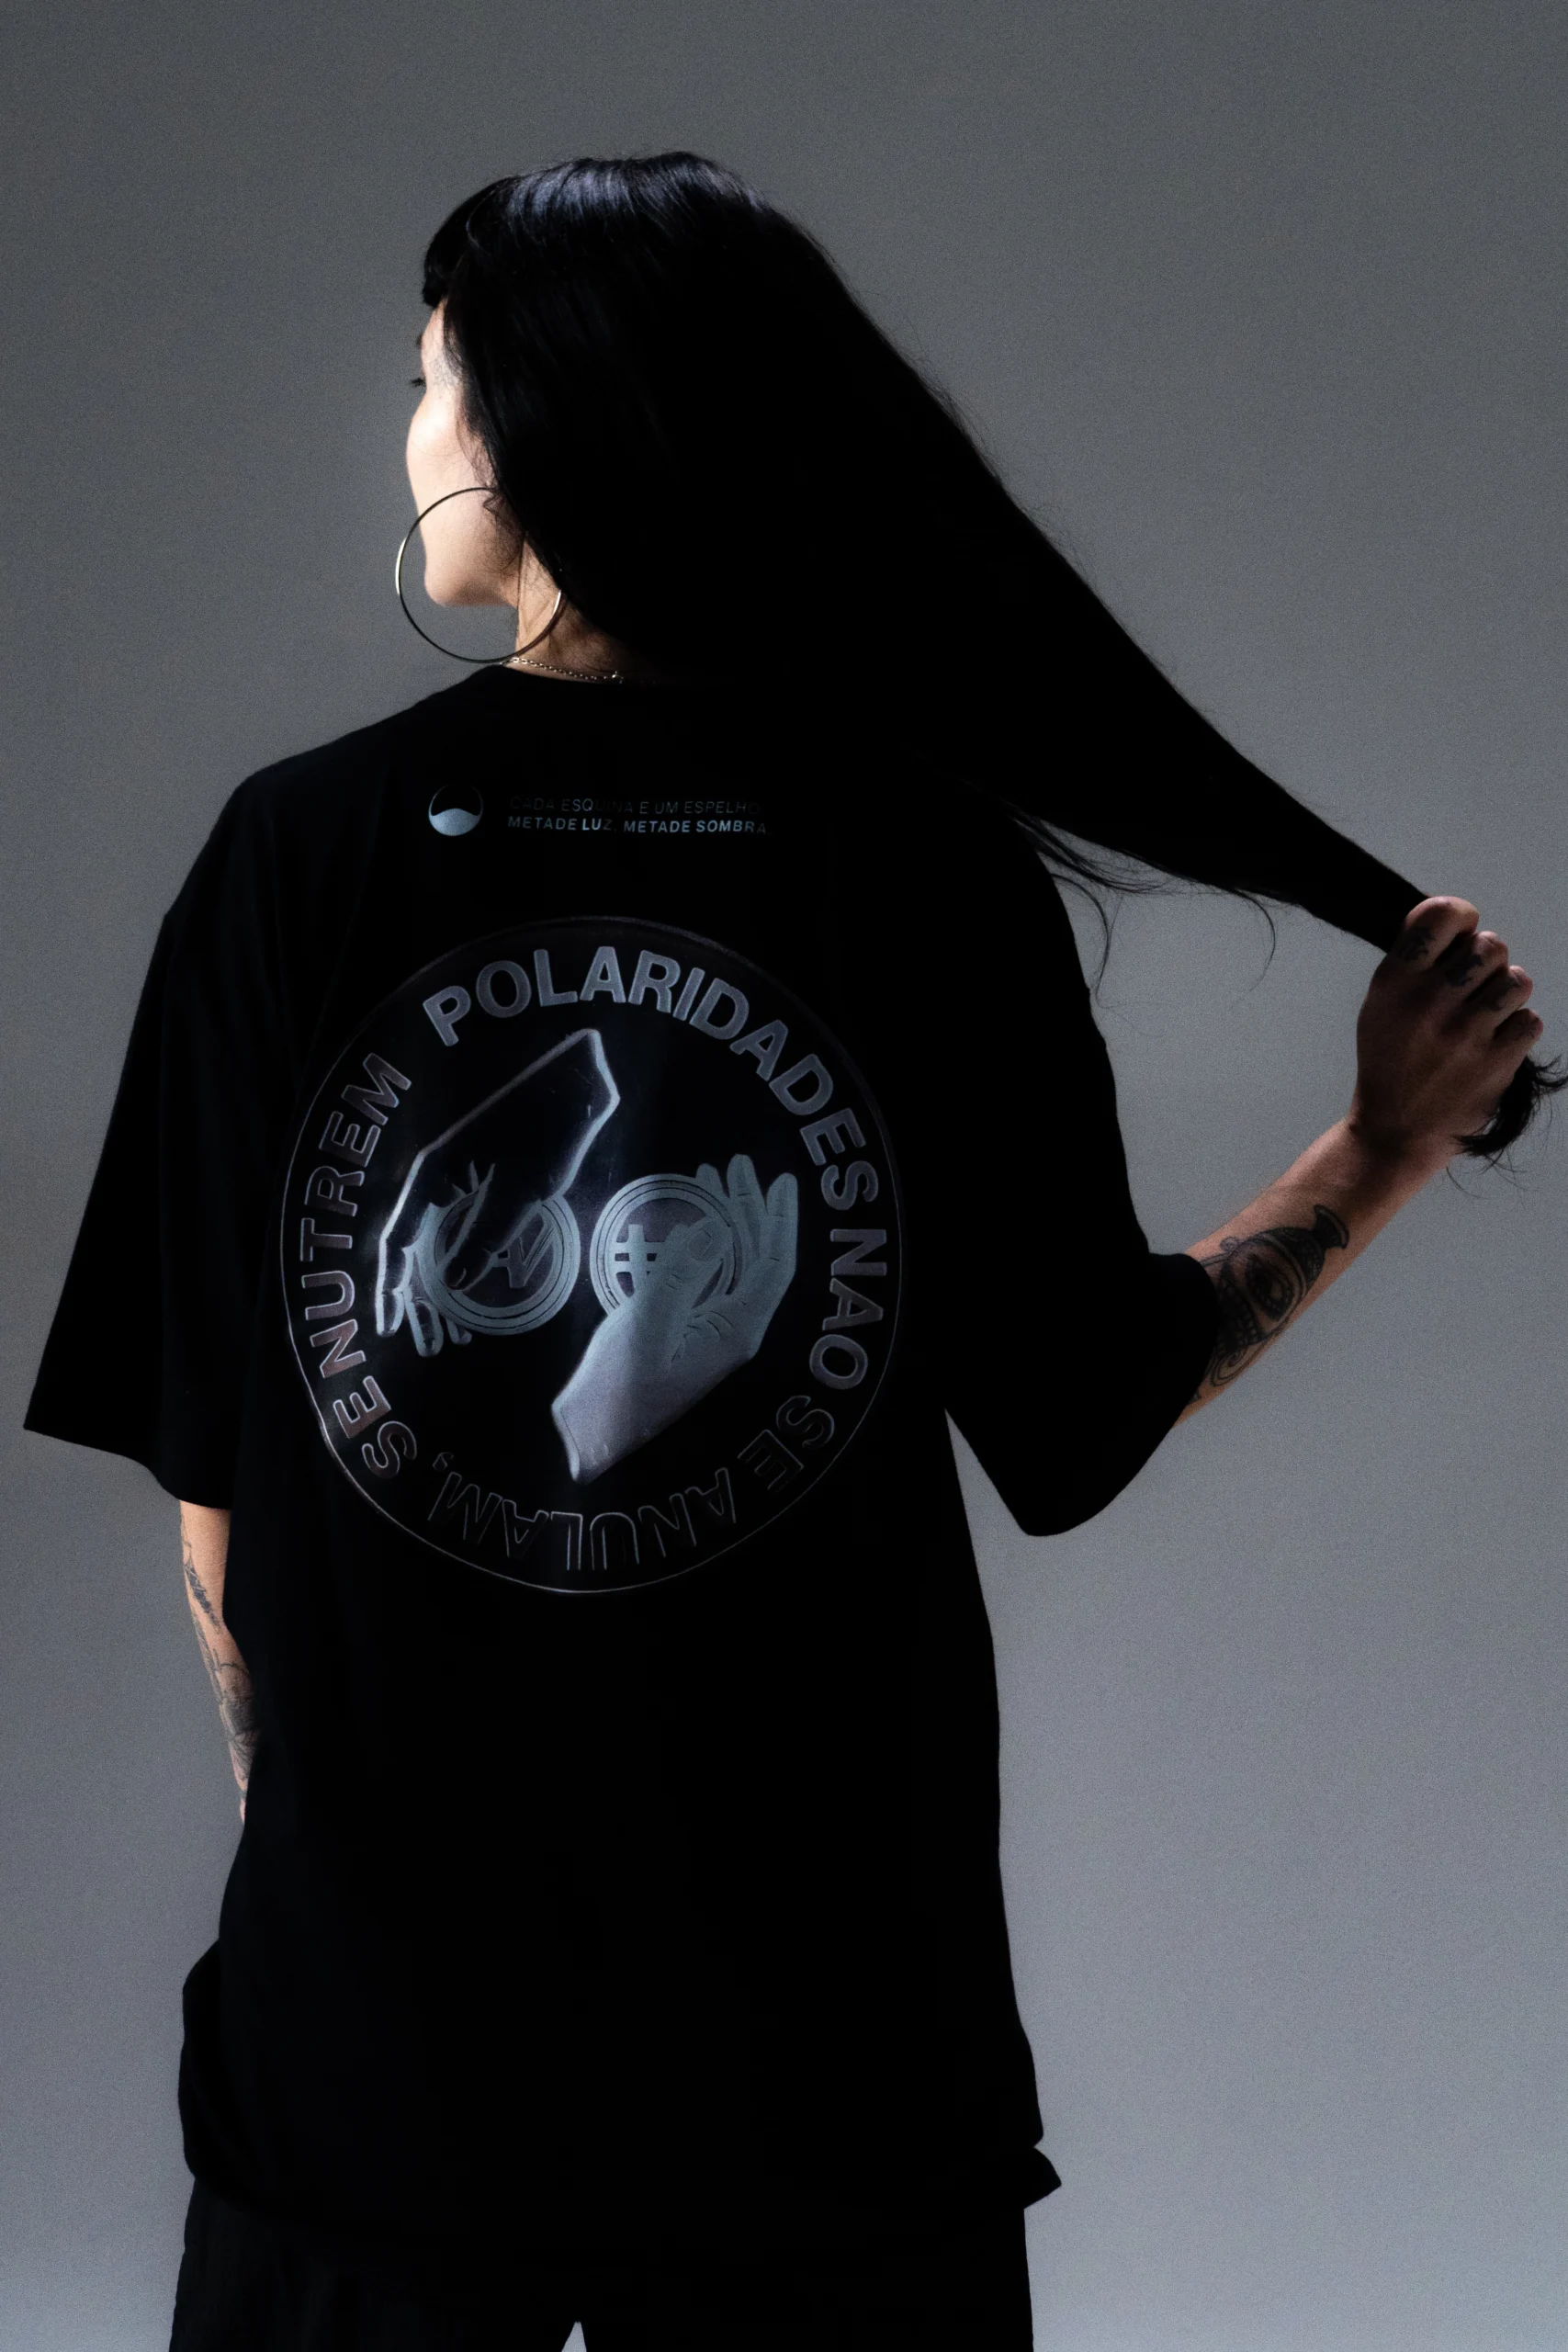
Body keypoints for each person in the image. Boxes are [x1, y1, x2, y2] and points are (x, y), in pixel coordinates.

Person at [25, 153, 1551, 2352]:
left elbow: (224, 1466)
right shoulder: (920, 861)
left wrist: (319, 1886)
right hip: (826, 2062)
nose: (411, 430)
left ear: (534, 415)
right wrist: (1379, 1149)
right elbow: (1079, 1410)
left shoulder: (298, 852)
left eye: (430, 377)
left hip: (377, 2063)